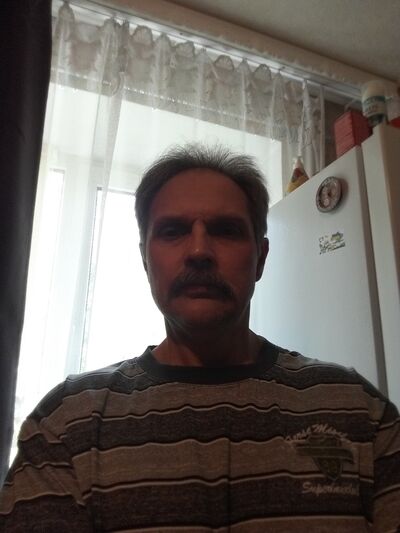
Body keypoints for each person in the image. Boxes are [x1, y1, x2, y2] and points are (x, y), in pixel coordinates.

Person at [1, 144, 399, 532]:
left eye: (226, 230)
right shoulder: (67, 423)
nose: (199, 250)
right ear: (145, 260)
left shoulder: (358, 409)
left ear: (260, 259)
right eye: (173, 231)